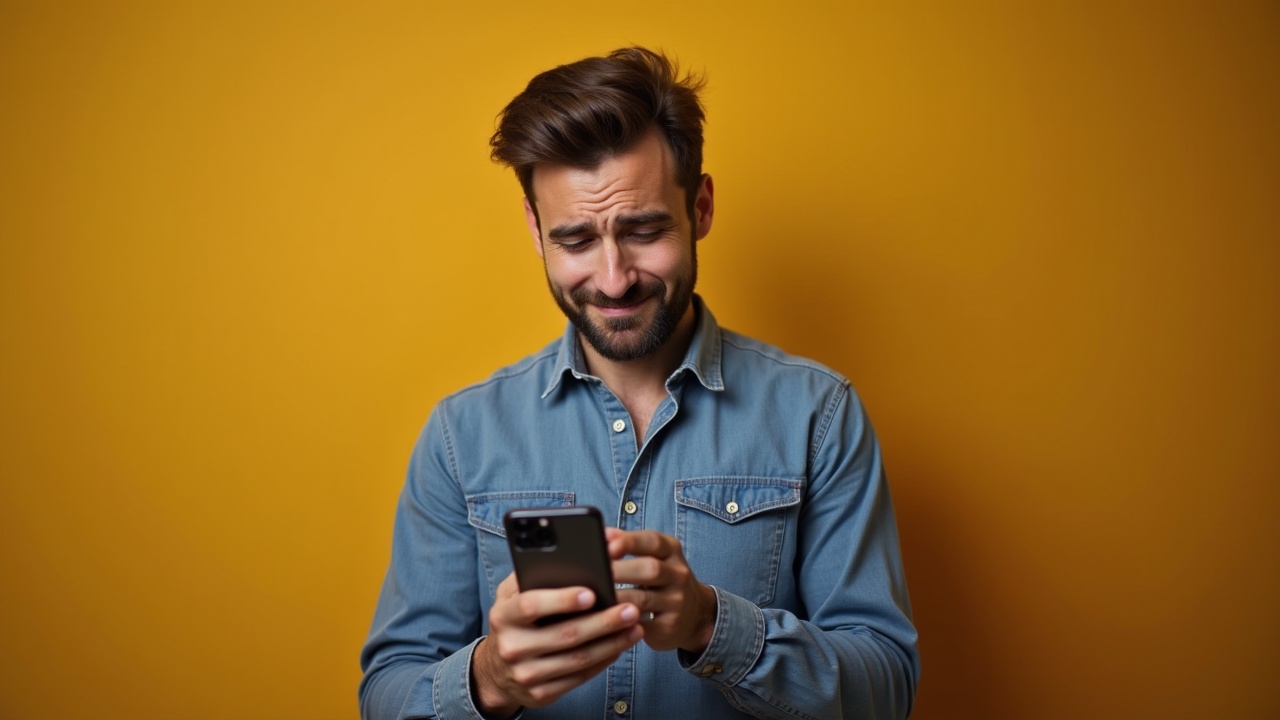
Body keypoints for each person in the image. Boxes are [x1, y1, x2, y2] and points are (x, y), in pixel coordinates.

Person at [359, 47, 919, 720]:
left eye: (645, 230)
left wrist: (713, 626)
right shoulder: (460, 436)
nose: (614, 277)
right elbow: (387, 695)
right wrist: (491, 680)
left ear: (701, 207)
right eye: (575, 241)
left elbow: (886, 690)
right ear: (536, 231)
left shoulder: (819, 416)